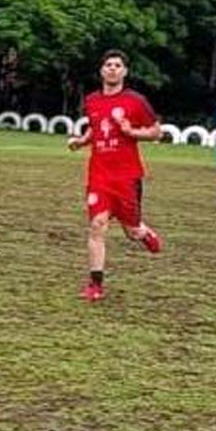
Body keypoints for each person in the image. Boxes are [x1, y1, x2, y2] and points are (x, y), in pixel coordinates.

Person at [68, 49, 164, 303]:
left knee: (130, 230)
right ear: (102, 70)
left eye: (117, 65)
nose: (112, 68)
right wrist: (81, 141)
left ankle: (144, 233)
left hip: (127, 176)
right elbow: (96, 128)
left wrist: (132, 132)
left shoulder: (135, 101)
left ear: (124, 71)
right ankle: (95, 284)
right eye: (108, 64)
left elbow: (156, 131)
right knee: (97, 225)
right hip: (99, 174)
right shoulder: (92, 101)